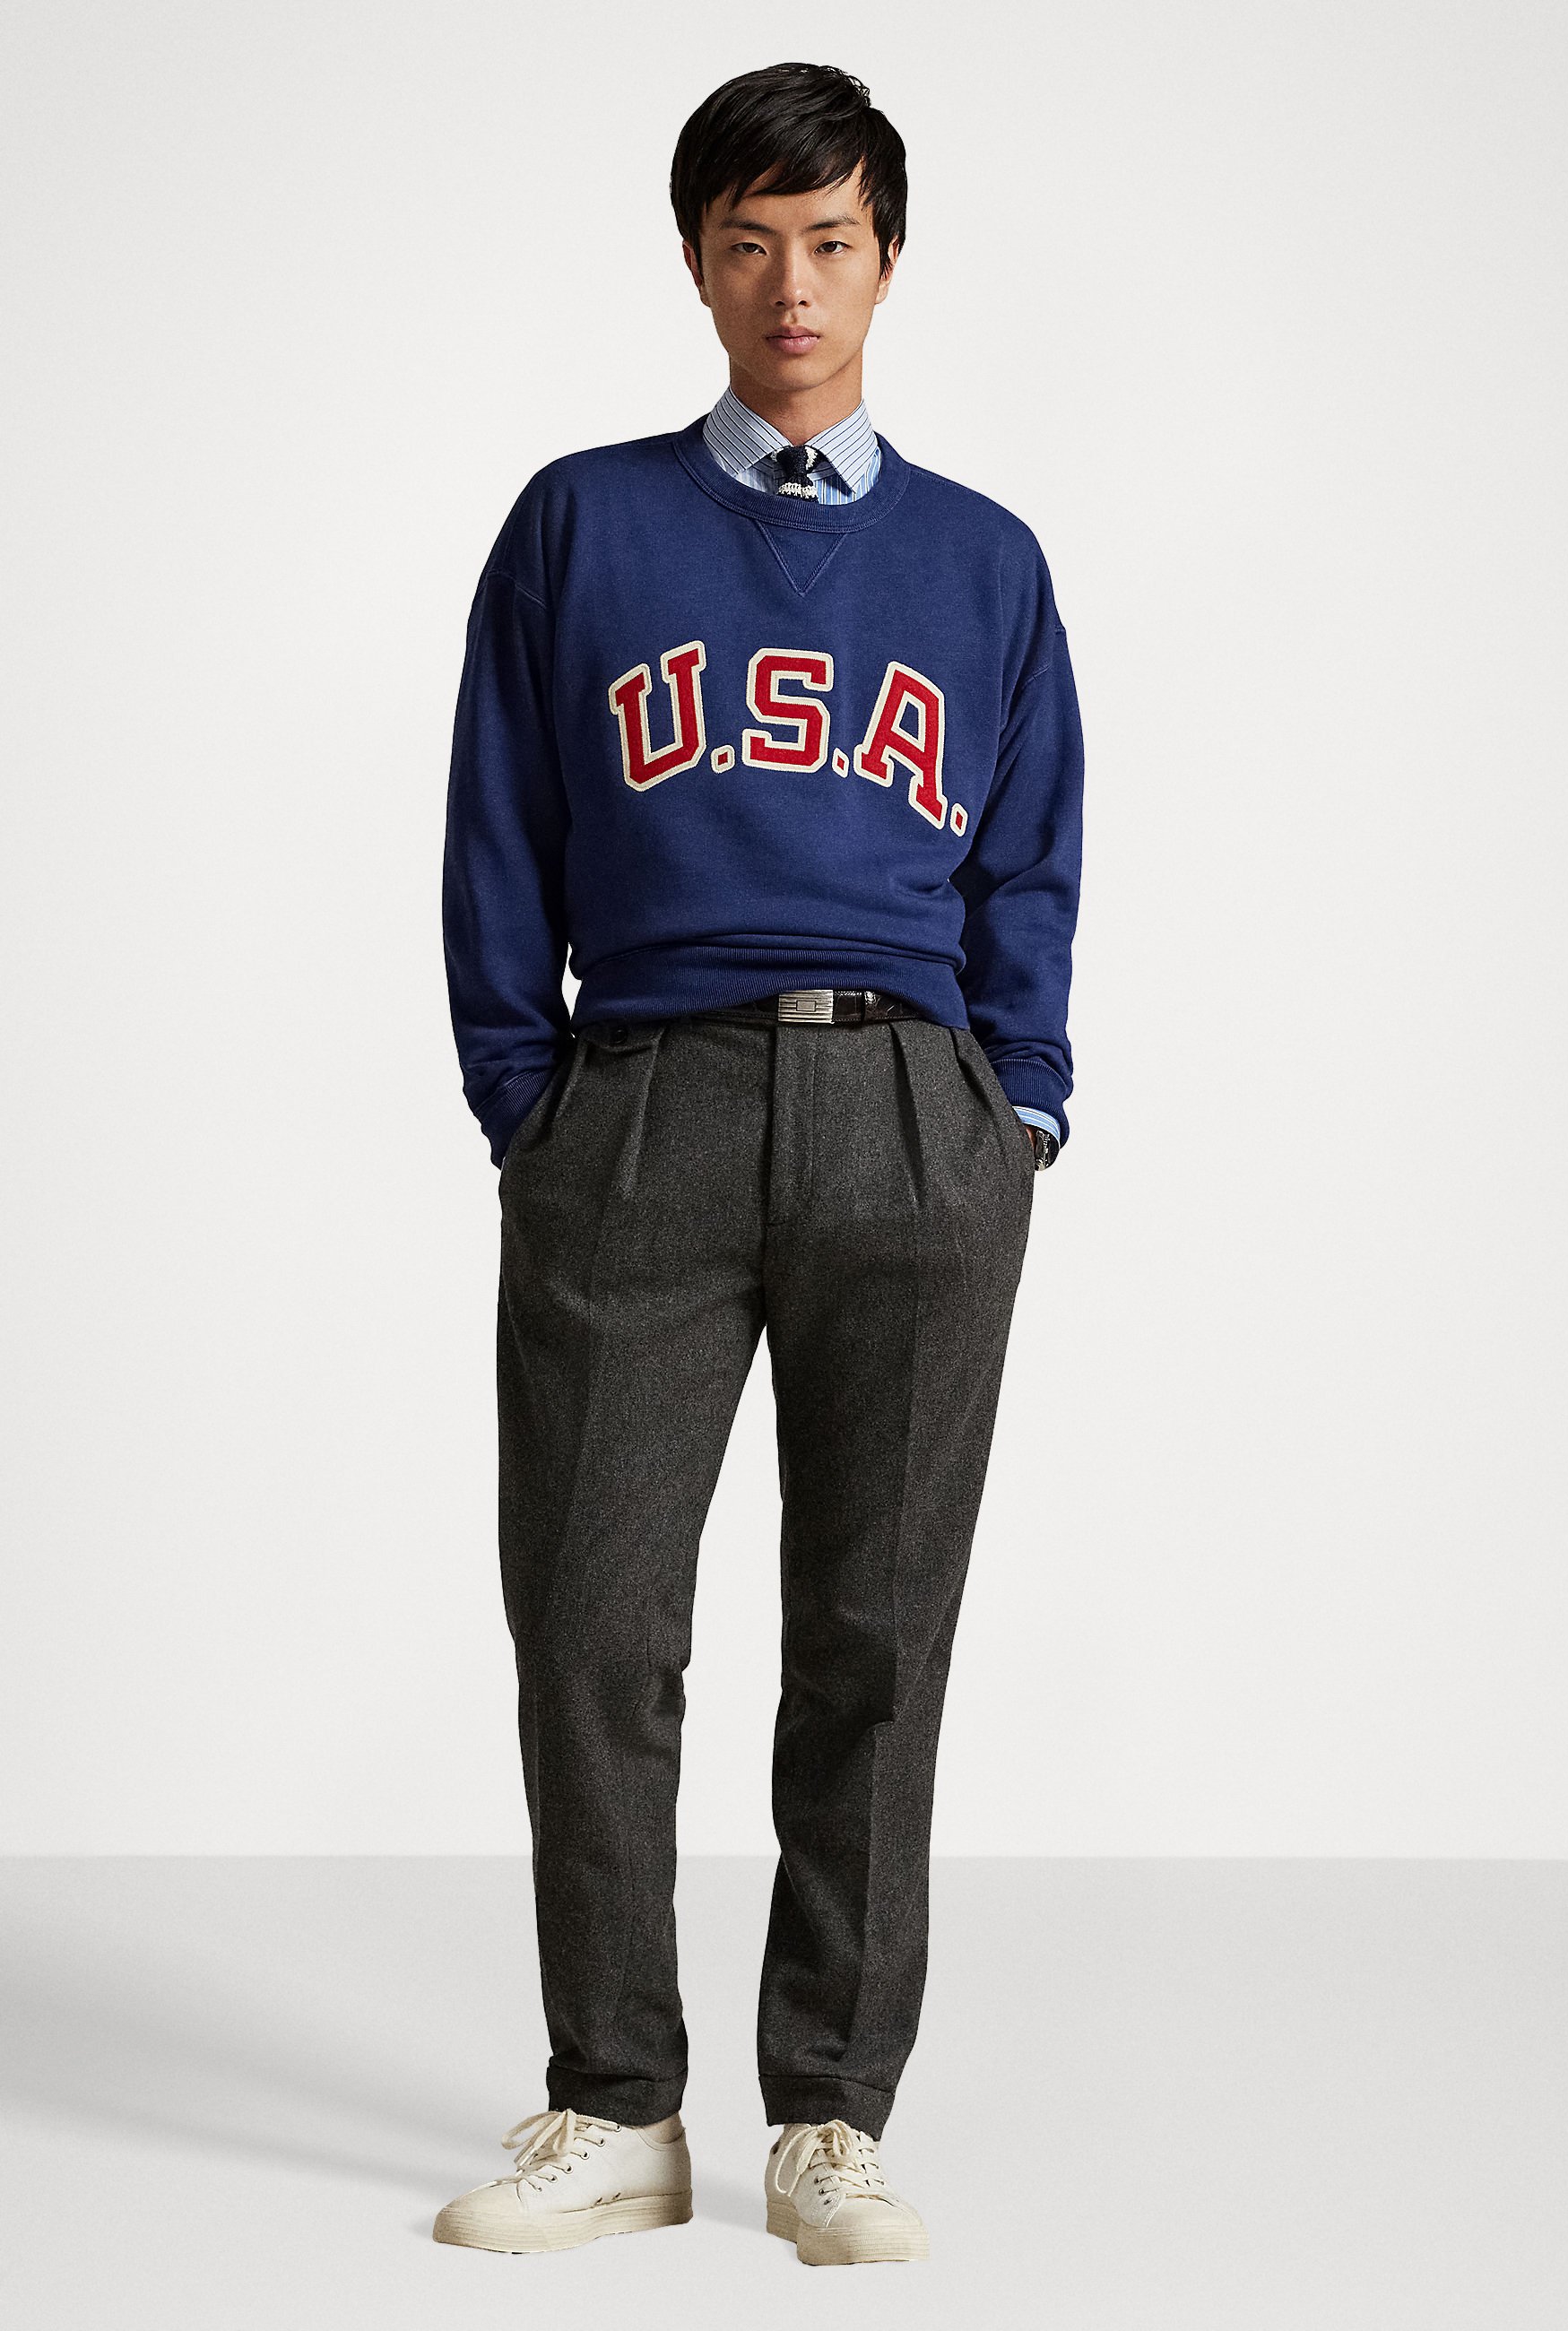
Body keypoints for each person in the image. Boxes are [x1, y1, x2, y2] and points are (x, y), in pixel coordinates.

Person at [434, 59, 1085, 2267]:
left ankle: (830, 2113)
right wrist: (528, 1100)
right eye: (746, 241)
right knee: (593, 1618)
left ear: (885, 261)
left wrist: (1017, 1105)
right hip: (645, 1103)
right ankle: (618, 2101)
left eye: (827, 241)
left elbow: (1030, 857)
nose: (789, 284)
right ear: (696, 264)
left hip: (912, 1112)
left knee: (875, 1635)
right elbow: (498, 825)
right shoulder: (579, 525)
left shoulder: (983, 561)